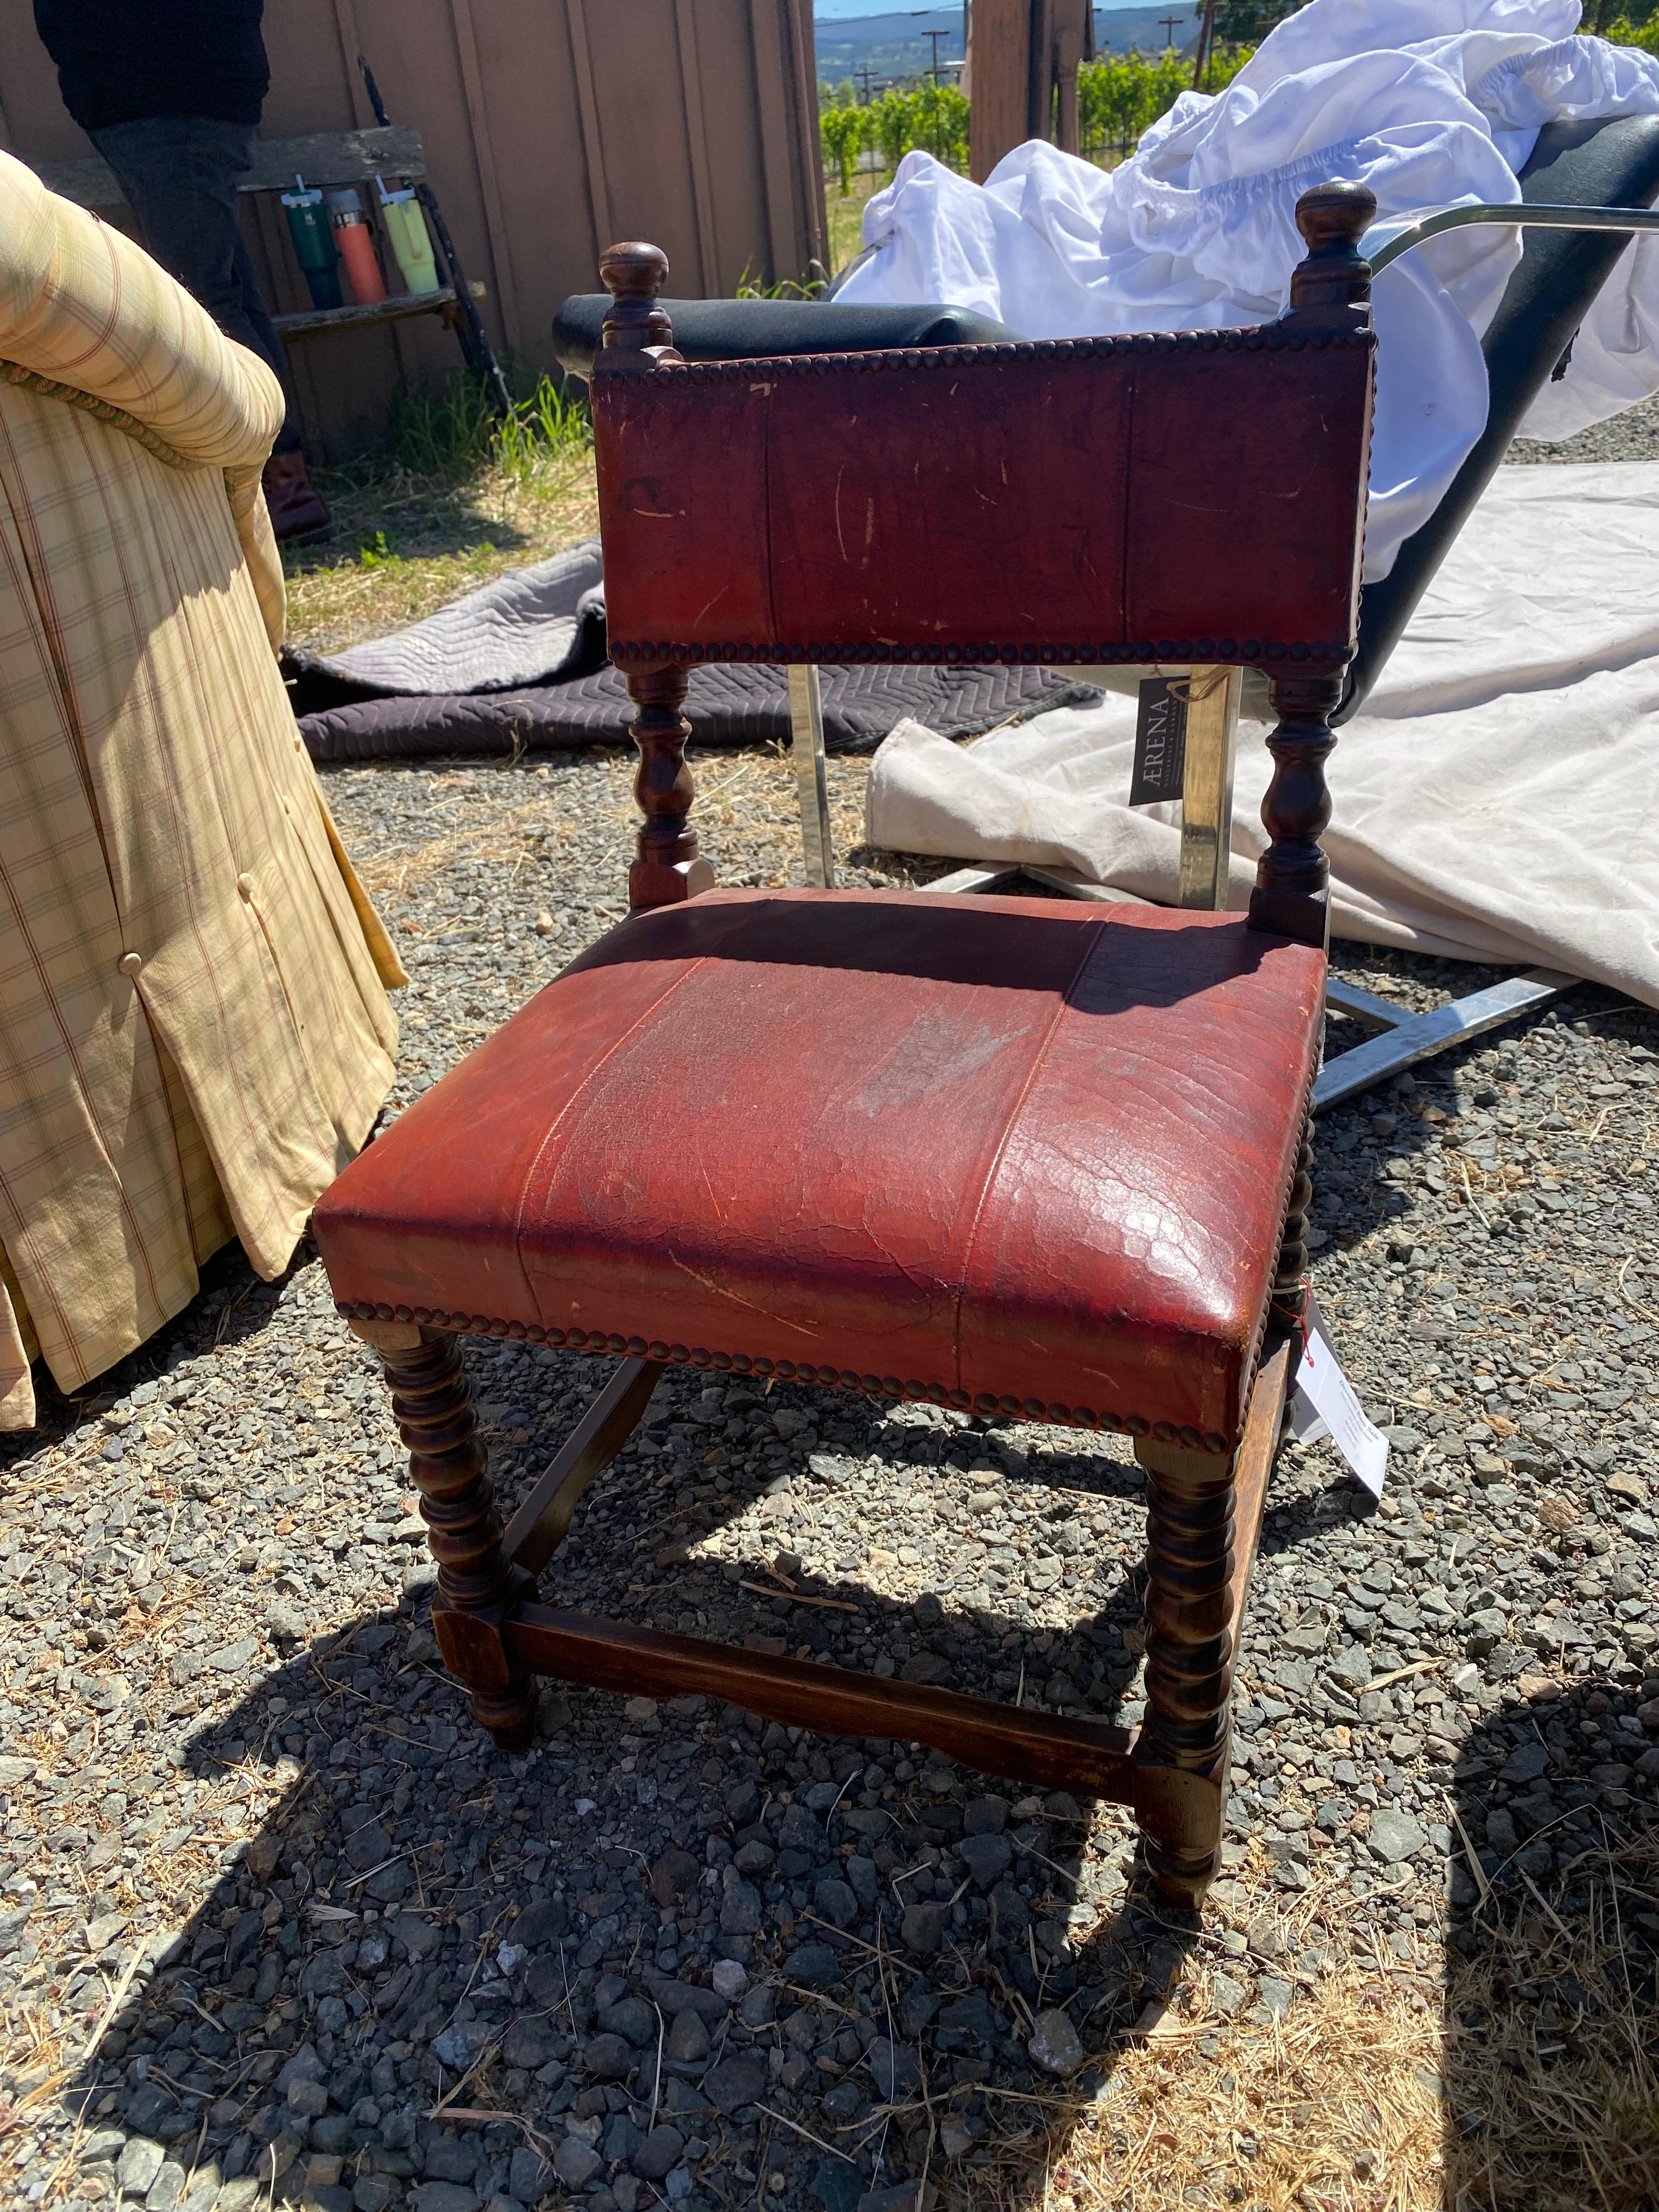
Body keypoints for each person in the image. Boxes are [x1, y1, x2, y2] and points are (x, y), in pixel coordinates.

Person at [33, 0, 332, 539]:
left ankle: (280, 485)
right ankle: (282, 477)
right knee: (226, 291)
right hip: (170, 89)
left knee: (208, 302)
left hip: (161, 94)